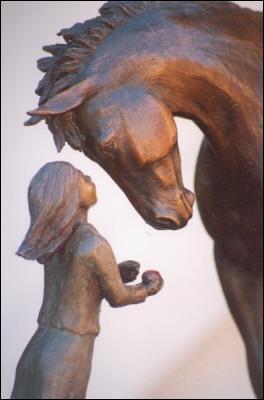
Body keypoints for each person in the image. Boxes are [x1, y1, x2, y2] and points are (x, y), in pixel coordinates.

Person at [11, 161, 163, 399]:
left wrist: (113, 271)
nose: (88, 177)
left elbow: (74, 279)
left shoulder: (55, 240)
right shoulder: (94, 244)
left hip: (39, 345)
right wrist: (148, 288)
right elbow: (119, 297)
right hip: (68, 350)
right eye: (80, 176)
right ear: (67, 193)